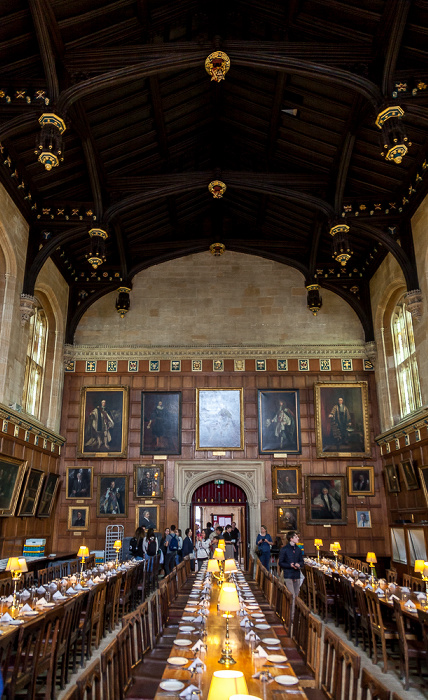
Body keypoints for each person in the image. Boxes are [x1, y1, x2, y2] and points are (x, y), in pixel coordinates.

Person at [278, 531, 305, 619]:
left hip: (296, 575)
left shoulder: (298, 549)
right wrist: (289, 565)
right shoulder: (284, 549)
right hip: (288, 575)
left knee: (296, 596)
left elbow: (302, 561)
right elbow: (281, 563)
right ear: (291, 539)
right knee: (292, 596)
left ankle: (294, 615)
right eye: (296, 537)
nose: (298, 538)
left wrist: (299, 564)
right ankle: (291, 617)